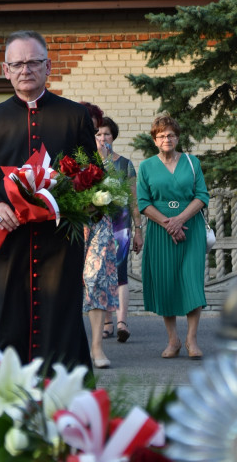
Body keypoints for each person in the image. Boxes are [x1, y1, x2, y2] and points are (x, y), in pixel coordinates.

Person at [0, 30, 97, 370]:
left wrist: (74, 200)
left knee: (62, 325)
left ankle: (65, 410)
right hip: (11, 244)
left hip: (59, 243)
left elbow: (93, 176)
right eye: (17, 64)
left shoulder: (74, 116)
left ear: (48, 66)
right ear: (5, 70)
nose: (26, 69)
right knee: (10, 322)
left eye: (34, 62)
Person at [137, 113, 209, 360]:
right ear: (154, 141)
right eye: (161, 136)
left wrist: (180, 220)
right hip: (160, 231)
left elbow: (202, 196)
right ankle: (173, 340)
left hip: (191, 230)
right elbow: (143, 202)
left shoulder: (192, 162)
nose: (166, 139)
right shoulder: (146, 166)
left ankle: (191, 339)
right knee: (166, 283)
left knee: (192, 282)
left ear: (177, 138)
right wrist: (168, 223)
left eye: (170, 135)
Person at [95, 117, 143, 344]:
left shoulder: (125, 164)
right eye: (98, 134)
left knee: (120, 273)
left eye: (106, 134)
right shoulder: (89, 165)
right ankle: (107, 322)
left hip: (120, 226)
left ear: (113, 137)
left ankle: (122, 322)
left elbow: (133, 200)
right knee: (101, 274)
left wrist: (138, 229)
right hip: (95, 225)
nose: (103, 138)